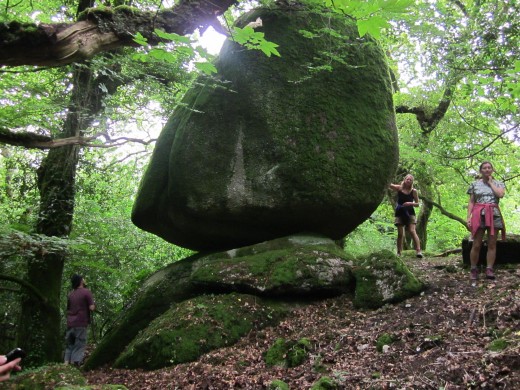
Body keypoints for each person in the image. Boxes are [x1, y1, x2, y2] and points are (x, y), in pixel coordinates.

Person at [467, 161, 506, 280]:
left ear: (492, 170)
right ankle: (473, 268)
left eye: (489, 168)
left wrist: (490, 183)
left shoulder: (499, 183)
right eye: (484, 168)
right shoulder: (474, 184)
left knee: (492, 243)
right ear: (481, 171)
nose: (487, 170)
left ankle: (489, 269)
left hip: (494, 213)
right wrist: (468, 217)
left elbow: (500, 195)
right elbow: (472, 201)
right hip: (479, 214)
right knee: (477, 244)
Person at [389, 174, 423, 258]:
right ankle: (399, 252)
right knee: (400, 234)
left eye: (410, 180)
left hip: (410, 213)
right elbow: (389, 185)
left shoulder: (414, 191)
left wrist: (410, 203)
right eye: (407, 179)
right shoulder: (399, 188)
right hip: (400, 212)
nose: (408, 181)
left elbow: (417, 204)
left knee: (412, 231)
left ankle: (418, 251)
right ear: (404, 180)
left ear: (412, 182)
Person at [64, 274, 95, 366]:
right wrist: (93, 304)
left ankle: (65, 364)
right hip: (81, 322)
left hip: (70, 323)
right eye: (83, 278)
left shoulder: (71, 294)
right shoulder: (86, 292)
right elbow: (91, 308)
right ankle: (75, 364)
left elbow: (69, 308)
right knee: (79, 344)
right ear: (81, 281)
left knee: (70, 345)